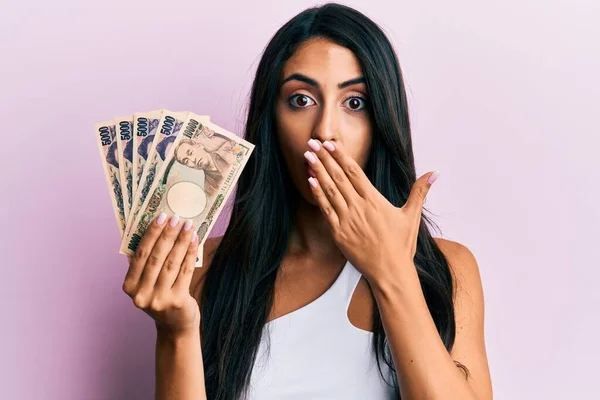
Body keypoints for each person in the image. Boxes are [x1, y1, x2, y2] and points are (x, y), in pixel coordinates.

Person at [121, 3, 493, 400]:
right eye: (301, 100)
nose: (325, 131)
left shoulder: (447, 269)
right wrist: (174, 331)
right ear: (271, 121)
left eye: (355, 102)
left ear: (382, 120)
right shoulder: (205, 271)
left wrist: (392, 274)